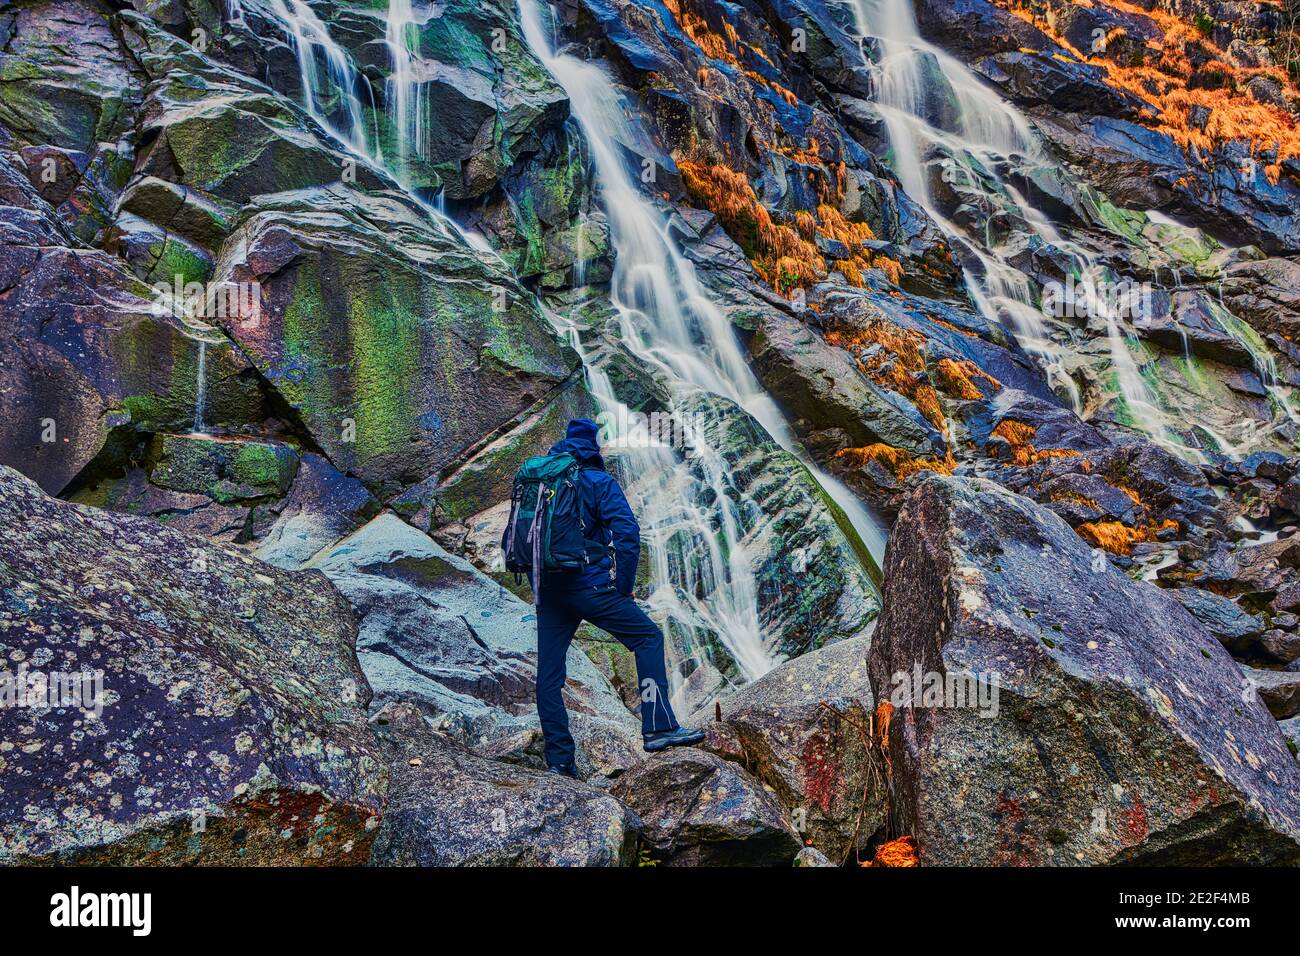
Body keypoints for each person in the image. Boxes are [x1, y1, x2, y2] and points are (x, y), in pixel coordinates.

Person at [535, 418, 704, 777]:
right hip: (592, 587)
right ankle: (659, 727)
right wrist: (624, 586)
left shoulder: (541, 483)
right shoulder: (599, 482)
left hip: (549, 591)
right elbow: (627, 533)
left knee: (549, 675)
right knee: (647, 638)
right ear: (593, 447)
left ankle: (560, 762)